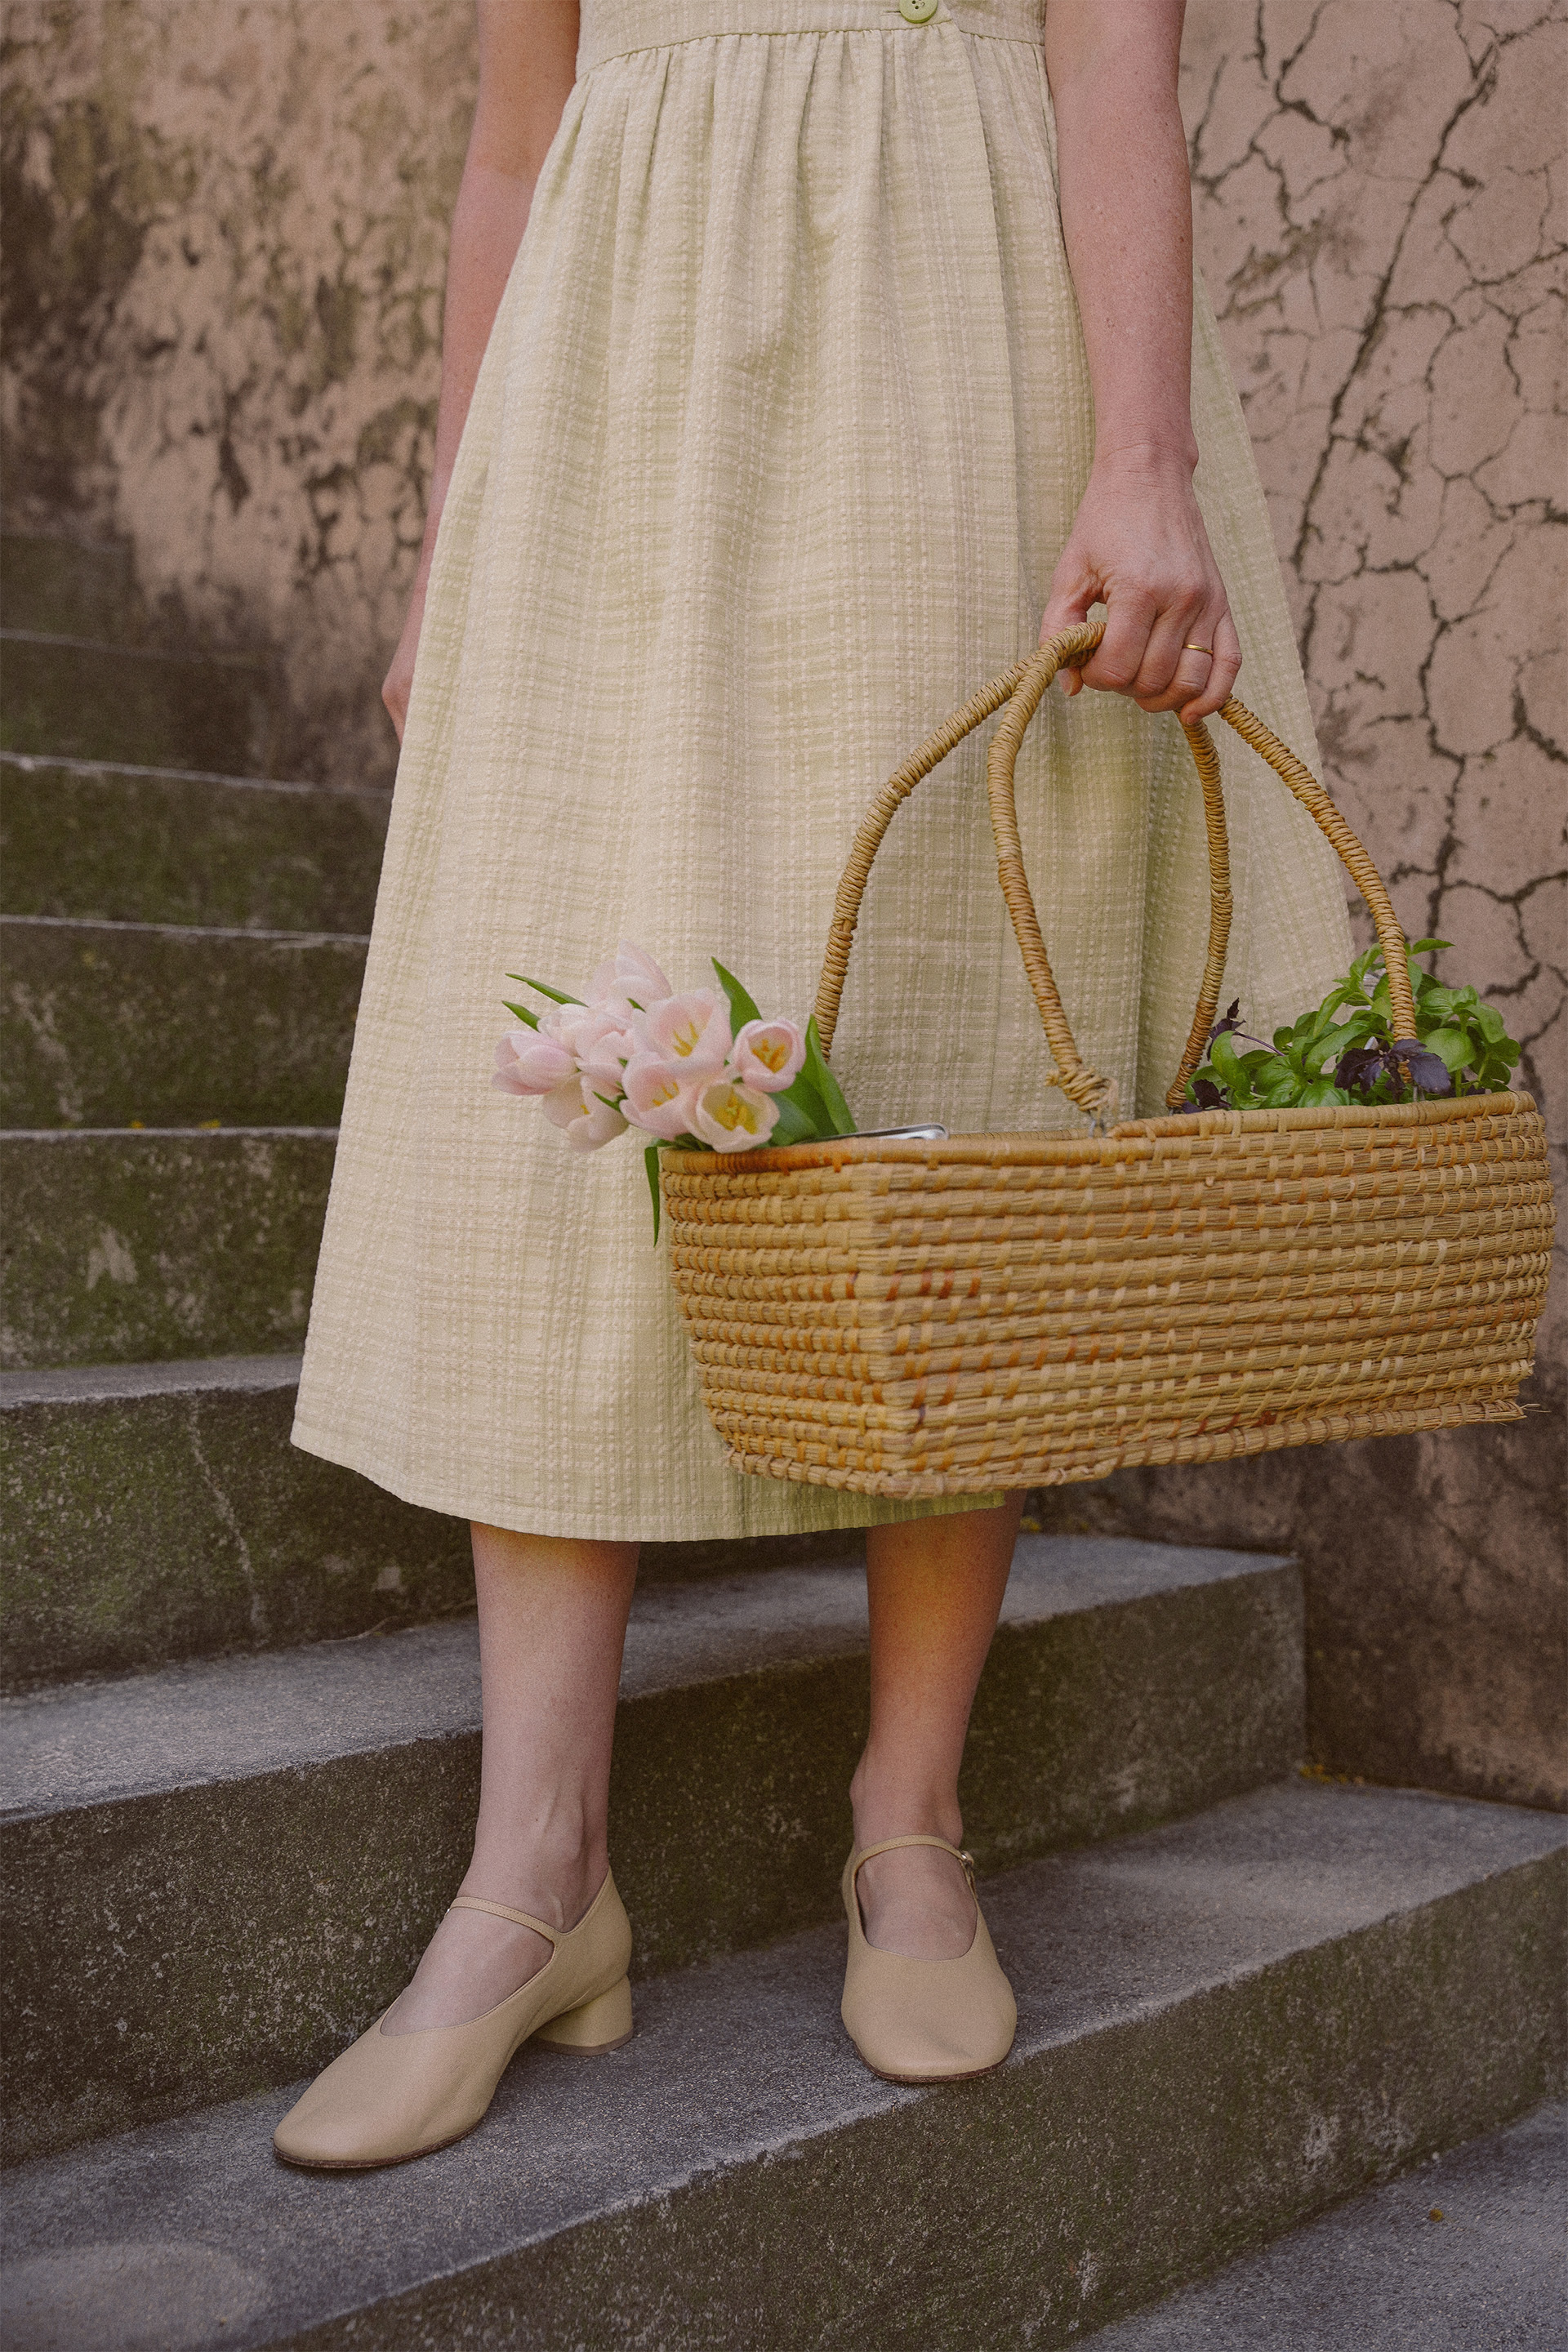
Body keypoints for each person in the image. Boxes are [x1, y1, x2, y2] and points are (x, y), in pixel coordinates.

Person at [274, 0, 1351, 2167]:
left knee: (953, 1070)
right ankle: (538, 1876)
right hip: (615, 398)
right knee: (560, 1085)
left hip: (955, 342)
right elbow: (514, 139)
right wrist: (452, 535)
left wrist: (1143, 459)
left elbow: (1110, 72)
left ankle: (911, 1817)